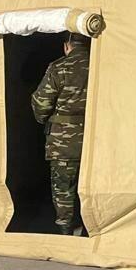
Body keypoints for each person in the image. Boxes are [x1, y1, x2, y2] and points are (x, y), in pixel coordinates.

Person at [31, 33, 91, 235]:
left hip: (63, 143)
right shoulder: (101, 66)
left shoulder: (59, 67)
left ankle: (66, 231)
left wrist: (44, 120)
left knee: (64, 188)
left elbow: (41, 103)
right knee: (92, 185)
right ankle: (91, 229)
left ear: (67, 46)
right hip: (96, 139)